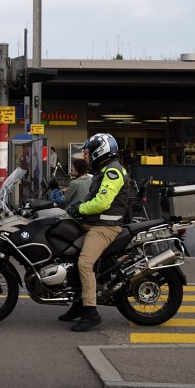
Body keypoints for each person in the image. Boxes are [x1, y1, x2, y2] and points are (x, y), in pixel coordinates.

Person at [59, 133, 129, 332]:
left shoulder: (113, 171)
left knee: (84, 263)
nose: (86, 156)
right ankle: (78, 305)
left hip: (104, 227)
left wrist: (79, 208)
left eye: (88, 152)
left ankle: (90, 312)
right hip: (92, 223)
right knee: (68, 255)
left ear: (100, 151)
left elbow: (102, 202)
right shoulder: (103, 170)